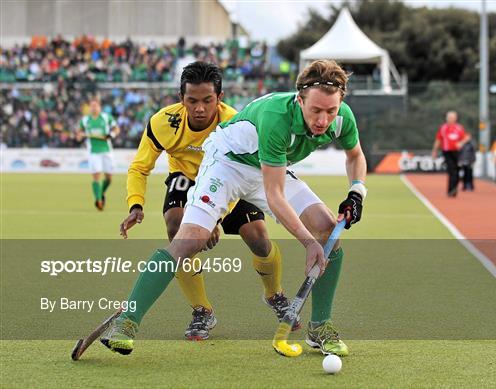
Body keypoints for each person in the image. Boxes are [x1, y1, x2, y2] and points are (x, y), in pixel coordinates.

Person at [101, 59, 367, 357]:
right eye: (315, 110)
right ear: (299, 99)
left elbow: (355, 155)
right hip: (227, 164)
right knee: (190, 239)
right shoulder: (276, 117)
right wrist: (307, 242)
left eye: (330, 111)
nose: (323, 120)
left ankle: (319, 327)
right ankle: (127, 323)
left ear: (340, 102)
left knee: (328, 228)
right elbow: (275, 196)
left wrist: (356, 191)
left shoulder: (342, 117)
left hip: (268, 168)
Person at [119, 61, 296, 340]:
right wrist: (136, 204)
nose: (199, 108)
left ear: (220, 98)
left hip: (233, 178)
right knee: (177, 229)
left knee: (259, 238)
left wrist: (215, 216)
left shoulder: (235, 122)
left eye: (207, 101)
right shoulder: (162, 123)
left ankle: (275, 295)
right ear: (181, 99)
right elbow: (140, 167)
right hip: (186, 177)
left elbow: (243, 175)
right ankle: (201, 310)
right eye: (192, 101)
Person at [77, 98, 119, 210]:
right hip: (93, 152)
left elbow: (116, 129)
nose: (94, 108)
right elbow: (79, 132)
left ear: (99, 107)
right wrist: (79, 135)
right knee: (96, 176)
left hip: (107, 150)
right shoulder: (85, 120)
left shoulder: (106, 118)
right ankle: (98, 200)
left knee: (109, 178)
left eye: (95, 106)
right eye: (92, 106)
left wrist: (111, 135)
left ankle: (101, 193)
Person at [431, 111, 471, 197]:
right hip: (447, 151)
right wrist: (434, 151)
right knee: (451, 170)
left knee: (457, 170)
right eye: (449, 117)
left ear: (455, 118)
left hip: (457, 152)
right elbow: (438, 140)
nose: (450, 119)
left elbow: (467, 137)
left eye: (452, 117)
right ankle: (451, 190)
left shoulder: (459, 128)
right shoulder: (443, 128)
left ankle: (455, 187)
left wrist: (461, 143)